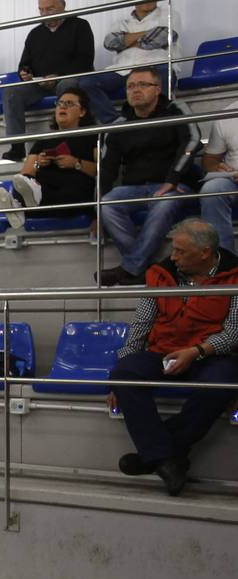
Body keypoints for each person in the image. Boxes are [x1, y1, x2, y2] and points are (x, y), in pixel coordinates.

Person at [107, 220, 238, 496]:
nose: (173, 257)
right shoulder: (159, 274)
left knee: (222, 381)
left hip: (210, 354)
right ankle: (168, 457)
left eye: (180, 251)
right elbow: (140, 327)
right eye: (174, 250)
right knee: (125, 372)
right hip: (164, 351)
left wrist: (197, 351)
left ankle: (157, 455)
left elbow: (234, 332)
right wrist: (114, 378)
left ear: (205, 253)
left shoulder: (235, 276)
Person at [98, 66, 202, 286]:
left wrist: (173, 179)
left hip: (176, 186)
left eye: (143, 85)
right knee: (106, 203)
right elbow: (106, 167)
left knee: (163, 202)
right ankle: (144, 267)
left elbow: (192, 141)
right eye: (131, 86)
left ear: (158, 88)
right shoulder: (119, 124)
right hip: (136, 188)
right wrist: (94, 211)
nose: (136, 90)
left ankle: (130, 268)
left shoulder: (175, 108)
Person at [1, 0, 118, 161]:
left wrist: (57, 76)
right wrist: (25, 73)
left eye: (50, 9)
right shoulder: (35, 33)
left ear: (63, 6)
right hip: (40, 84)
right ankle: (17, 145)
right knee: (11, 92)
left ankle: (67, 139)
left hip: (68, 79)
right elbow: (24, 63)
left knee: (66, 86)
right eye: (41, 10)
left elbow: (85, 61)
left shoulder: (80, 26)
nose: (44, 14)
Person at [0, 86, 99, 228]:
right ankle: (27, 201)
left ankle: (21, 208)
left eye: (69, 104)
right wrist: (39, 163)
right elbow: (26, 173)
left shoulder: (92, 135)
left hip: (71, 191)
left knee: (71, 190)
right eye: (60, 103)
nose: (63, 107)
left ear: (82, 111)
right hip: (45, 187)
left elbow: (102, 171)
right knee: (22, 182)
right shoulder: (44, 139)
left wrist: (76, 163)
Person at [104, 0, 183, 81]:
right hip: (122, 71)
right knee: (86, 83)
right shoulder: (120, 22)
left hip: (157, 68)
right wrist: (148, 35)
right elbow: (110, 43)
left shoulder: (169, 14)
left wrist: (125, 41)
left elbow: (160, 39)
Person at [199, 98, 238, 250]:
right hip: (234, 180)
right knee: (212, 189)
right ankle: (224, 262)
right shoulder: (228, 114)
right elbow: (210, 159)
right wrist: (217, 167)